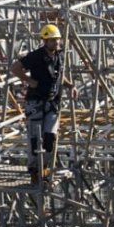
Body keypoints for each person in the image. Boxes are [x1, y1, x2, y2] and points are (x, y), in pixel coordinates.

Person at [10, 24, 76, 184]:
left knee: (50, 137)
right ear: (45, 41)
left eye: (58, 40)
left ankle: (44, 167)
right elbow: (15, 67)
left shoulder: (59, 56)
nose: (56, 43)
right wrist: (29, 81)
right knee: (35, 139)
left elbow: (59, 75)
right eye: (53, 40)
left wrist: (70, 86)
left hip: (52, 101)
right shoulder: (36, 56)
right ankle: (34, 171)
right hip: (36, 102)